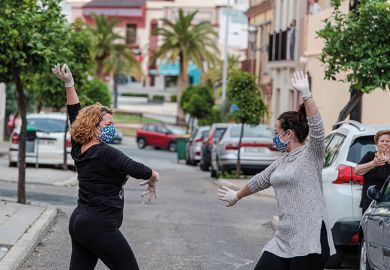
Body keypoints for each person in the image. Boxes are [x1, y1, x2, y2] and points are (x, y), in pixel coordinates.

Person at [218, 71, 335, 270]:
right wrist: (237, 195)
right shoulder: (282, 162)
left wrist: (306, 94)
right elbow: (260, 180)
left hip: (310, 238)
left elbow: (318, 128)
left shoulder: (311, 154)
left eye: (276, 133)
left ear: (288, 134)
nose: (274, 138)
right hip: (284, 237)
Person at [52, 64, 159, 270]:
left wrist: (69, 83)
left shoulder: (79, 146)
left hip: (80, 221)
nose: (112, 128)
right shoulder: (106, 152)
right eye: (108, 125)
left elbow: (74, 112)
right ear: (93, 128)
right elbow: (137, 168)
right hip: (98, 225)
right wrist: (154, 176)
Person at [355, 129, 390, 214]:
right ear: (377, 143)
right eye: (382, 141)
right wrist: (373, 164)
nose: (385, 143)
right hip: (369, 203)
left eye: (388, 141)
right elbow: (357, 171)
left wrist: (389, 161)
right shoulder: (370, 155)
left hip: (387, 204)